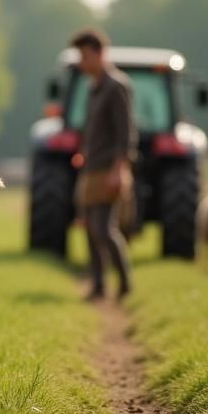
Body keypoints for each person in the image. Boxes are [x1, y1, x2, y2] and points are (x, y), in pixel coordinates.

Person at [70, 29, 137, 302]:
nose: (82, 62)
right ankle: (98, 286)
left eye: (85, 55)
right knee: (90, 229)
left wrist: (119, 170)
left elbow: (125, 133)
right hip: (91, 169)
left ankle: (125, 283)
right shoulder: (93, 88)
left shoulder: (116, 86)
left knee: (103, 229)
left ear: (100, 54)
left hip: (109, 170)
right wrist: (83, 153)